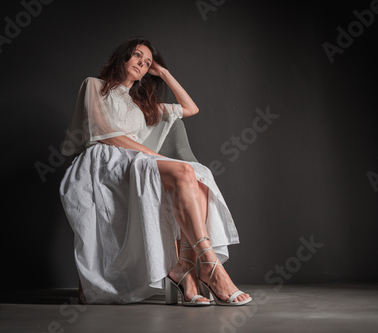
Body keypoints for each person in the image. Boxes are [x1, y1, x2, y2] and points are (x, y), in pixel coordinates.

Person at [59, 37, 251, 306]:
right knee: (185, 171)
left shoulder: (142, 106)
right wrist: (153, 155)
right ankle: (207, 265)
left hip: (136, 161)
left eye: (147, 62)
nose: (142, 63)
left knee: (199, 174)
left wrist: (164, 73)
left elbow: (190, 108)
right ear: (123, 57)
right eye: (137, 56)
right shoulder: (94, 85)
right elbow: (105, 133)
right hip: (105, 161)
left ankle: (189, 265)